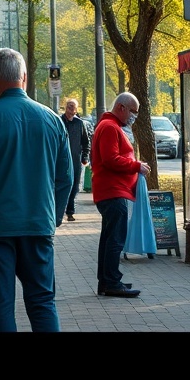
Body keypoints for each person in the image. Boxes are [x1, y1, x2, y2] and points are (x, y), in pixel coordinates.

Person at [0, 48, 72, 332]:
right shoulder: (52, 120)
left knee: (1, 306)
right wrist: (53, 217)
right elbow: (66, 178)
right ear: (24, 78)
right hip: (38, 225)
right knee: (43, 301)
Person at [92, 91, 151, 297]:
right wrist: (137, 166)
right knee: (115, 238)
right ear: (121, 108)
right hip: (113, 191)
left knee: (109, 238)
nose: (134, 116)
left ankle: (107, 281)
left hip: (110, 191)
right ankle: (111, 282)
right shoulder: (110, 127)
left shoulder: (109, 126)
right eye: (133, 111)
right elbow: (111, 159)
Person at [60, 98, 91, 222]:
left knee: (74, 186)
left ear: (76, 109)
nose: (71, 108)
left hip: (75, 160)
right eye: (69, 106)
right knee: (61, 185)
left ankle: (70, 212)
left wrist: (85, 157)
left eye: (73, 106)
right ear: (65, 107)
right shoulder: (59, 121)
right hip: (61, 160)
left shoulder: (79, 123)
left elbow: (86, 143)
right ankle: (59, 211)